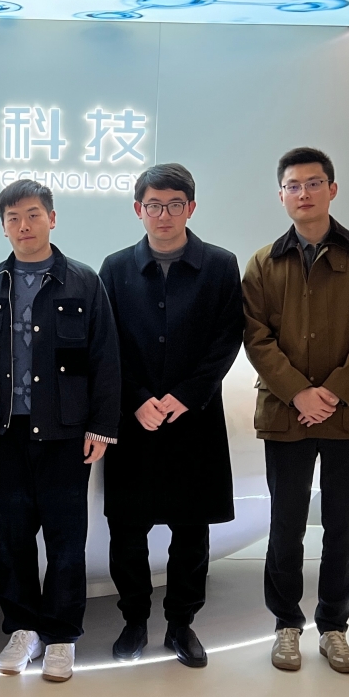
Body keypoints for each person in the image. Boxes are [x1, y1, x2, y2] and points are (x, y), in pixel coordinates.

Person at [243, 147, 349, 675]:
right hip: (287, 414)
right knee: (285, 525)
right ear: (281, 195)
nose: (303, 193)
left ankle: (334, 627)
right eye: (293, 185)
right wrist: (298, 393)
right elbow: (256, 337)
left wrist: (332, 392)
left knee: (342, 525)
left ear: (332, 189)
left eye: (313, 183)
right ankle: (286, 624)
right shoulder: (264, 262)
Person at [0, 178, 120, 683]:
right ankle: (22, 628)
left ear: (52, 219)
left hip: (65, 433)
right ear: (3, 227)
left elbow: (105, 357)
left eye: (33, 214)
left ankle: (60, 635)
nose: (24, 225)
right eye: (13, 218)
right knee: (12, 538)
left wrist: (102, 426)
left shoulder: (84, 282)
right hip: (4, 433)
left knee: (65, 538)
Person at [98, 163, 245, 668]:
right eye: (154, 205)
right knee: (127, 529)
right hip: (134, 419)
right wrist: (136, 398)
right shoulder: (116, 267)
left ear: (191, 208)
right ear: (138, 209)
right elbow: (107, 342)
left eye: (175, 205)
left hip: (194, 419)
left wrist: (187, 394)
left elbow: (228, 337)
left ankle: (182, 623)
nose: (164, 215)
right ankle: (134, 620)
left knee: (191, 529)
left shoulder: (220, 265)